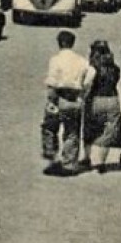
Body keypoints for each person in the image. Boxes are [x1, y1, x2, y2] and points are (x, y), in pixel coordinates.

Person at [42, 30, 91, 176]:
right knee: (72, 132)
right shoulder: (82, 61)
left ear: (60, 43)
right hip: (75, 99)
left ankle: (50, 153)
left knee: (49, 127)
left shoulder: (55, 59)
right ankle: (69, 164)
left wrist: (51, 101)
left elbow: (52, 82)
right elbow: (89, 78)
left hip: (59, 97)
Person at [84, 40, 121, 172]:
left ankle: (87, 158)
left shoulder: (92, 68)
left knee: (90, 129)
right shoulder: (115, 68)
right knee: (109, 131)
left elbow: (87, 84)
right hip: (112, 100)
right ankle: (101, 163)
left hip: (96, 99)